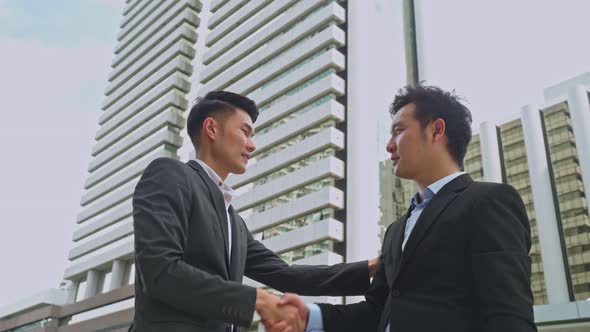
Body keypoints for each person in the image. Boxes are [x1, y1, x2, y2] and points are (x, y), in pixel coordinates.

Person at [271, 84, 537, 332]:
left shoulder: (489, 201)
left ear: (436, 130)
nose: (389, 145)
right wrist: (309, 316)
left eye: (398, 131)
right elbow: (377, 311)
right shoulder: (396, 230)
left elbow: (508, 314)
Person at [130, 91, 379, 332]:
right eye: (245, 132)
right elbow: (160, 271)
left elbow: (287, 275)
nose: (252, 145)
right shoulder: (169, 174)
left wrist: (370, 267)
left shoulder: (235, 223)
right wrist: (258, 301)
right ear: (212, 129)